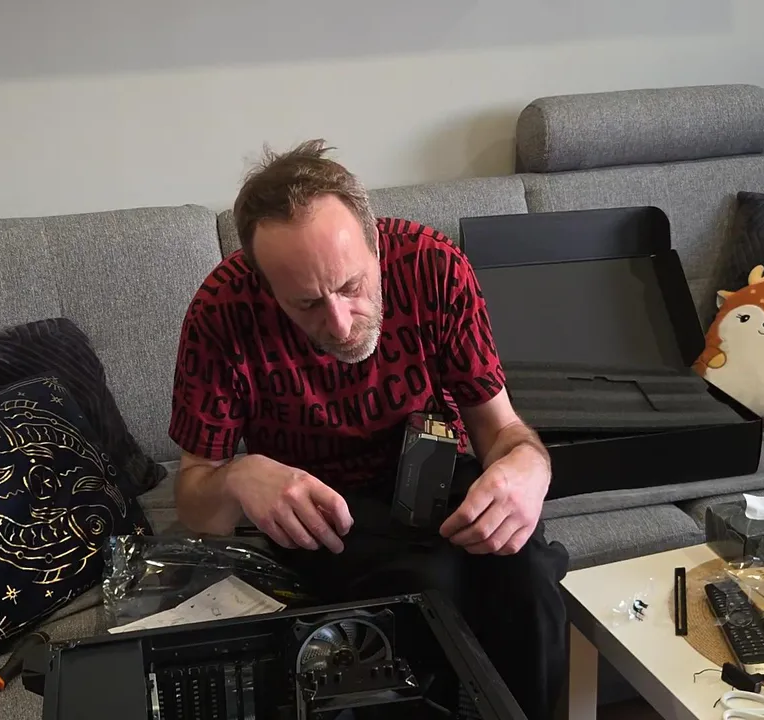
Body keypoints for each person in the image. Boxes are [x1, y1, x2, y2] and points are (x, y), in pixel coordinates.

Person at [168, 139, 569, 718]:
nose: (339, 324)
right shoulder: (221, 311)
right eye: (306, 304)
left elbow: (500, 430)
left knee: (524, 569)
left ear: (376, 243)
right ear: (265, 286)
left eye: (351, 287)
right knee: (427, 583)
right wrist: (237, 476)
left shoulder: (433, 266)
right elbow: (195, 502)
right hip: (322, 510)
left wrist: (530, 467)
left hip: (432, 477)